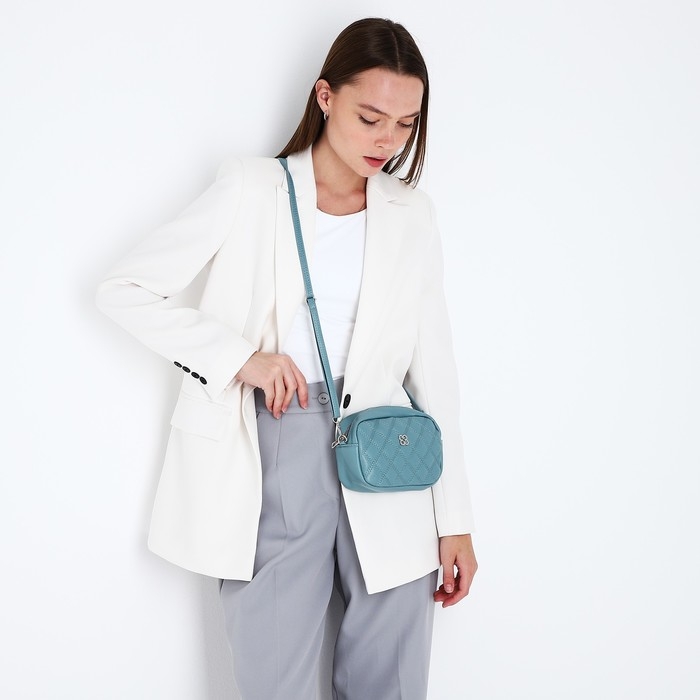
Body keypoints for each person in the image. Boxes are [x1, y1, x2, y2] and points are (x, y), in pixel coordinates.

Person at [96, 17, 477, 700]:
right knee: (275, 680)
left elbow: (435, 375)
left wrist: (455, 521)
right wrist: (243, 358)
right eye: (370, 118)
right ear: (325, 97)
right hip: (278, 440)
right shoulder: (253, 189)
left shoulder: (411, 213)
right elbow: (125, 290)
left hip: (390, 454)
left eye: (405, 124)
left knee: (391, 682)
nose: (387, 141)